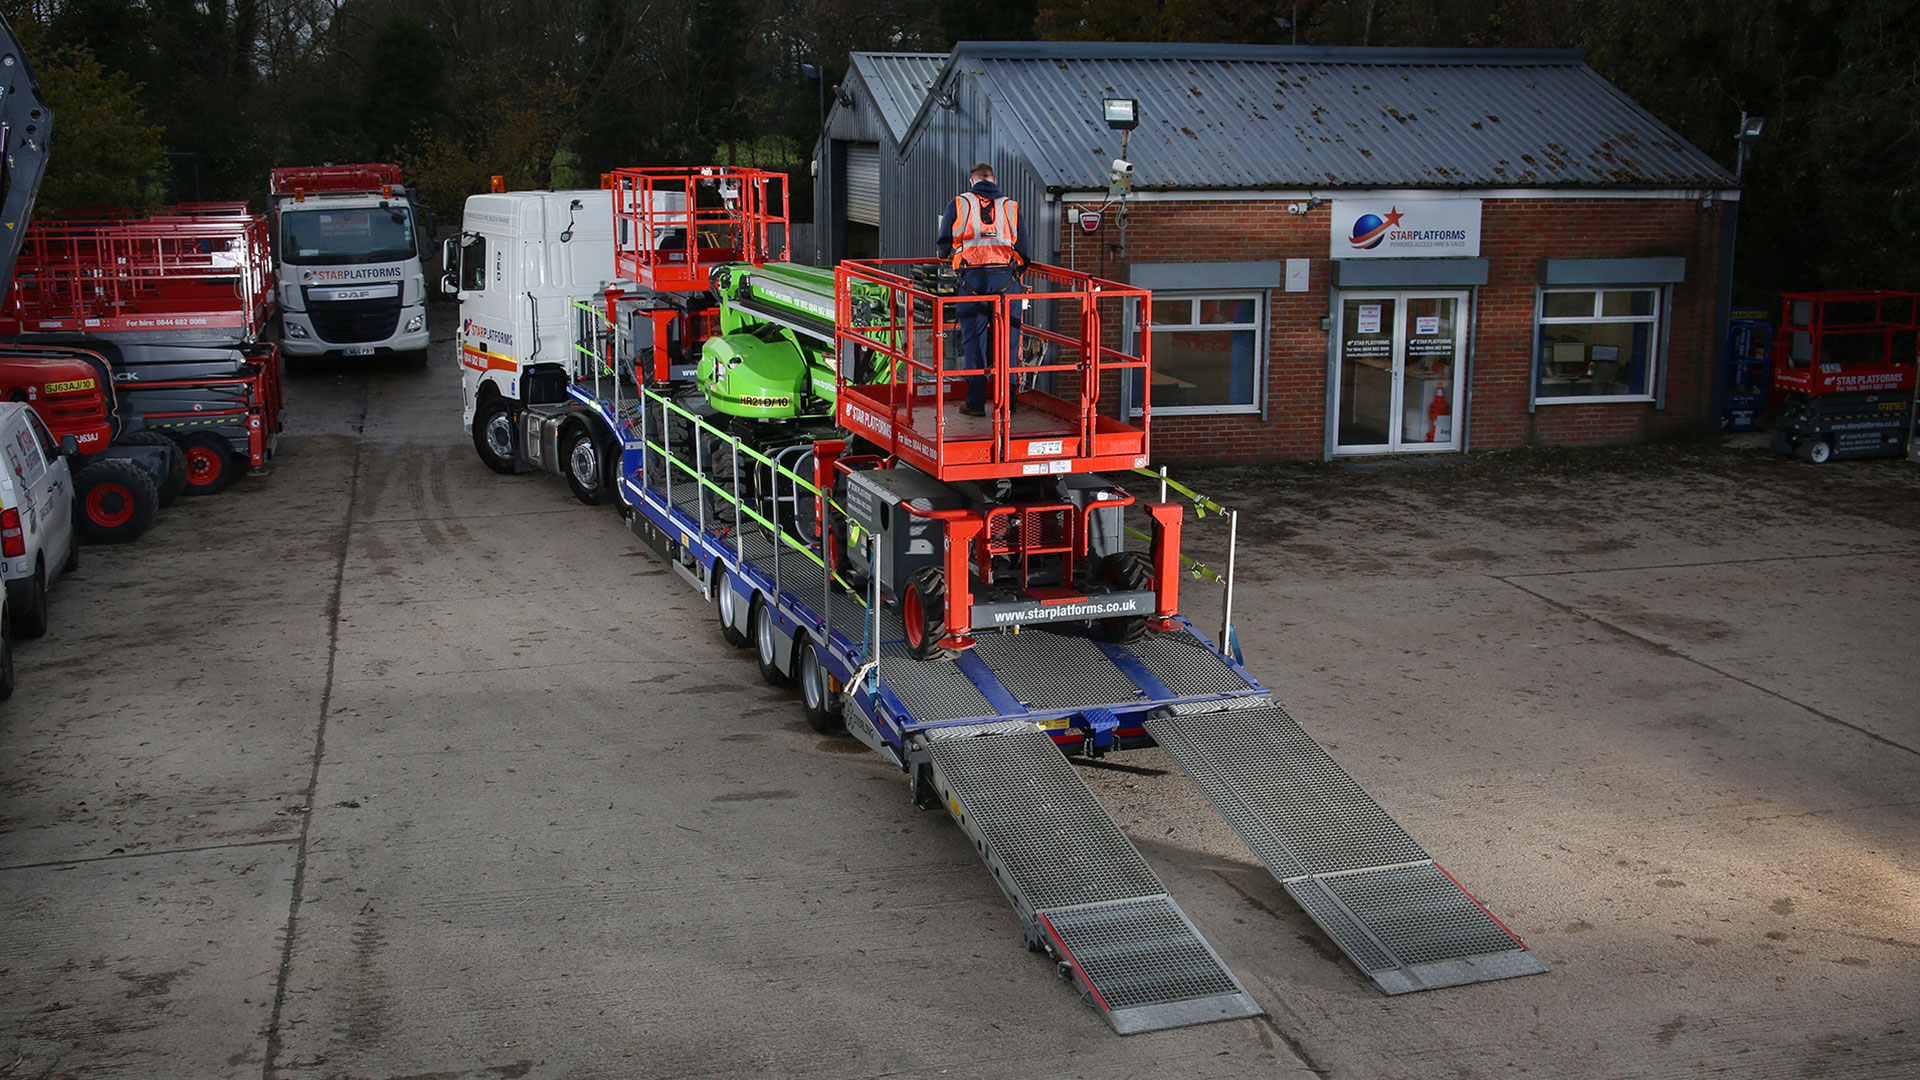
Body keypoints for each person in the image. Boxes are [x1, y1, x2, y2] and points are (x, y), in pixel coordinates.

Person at [936, 163, 1030, 417]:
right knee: (1008, 343)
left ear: (972, 181)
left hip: (972, 282)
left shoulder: (959, 203)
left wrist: (950, 255)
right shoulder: (1011, 206)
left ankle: (975, 402)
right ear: (994, 179)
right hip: (1007, 282)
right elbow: (1024, 250)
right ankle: (1008, 401)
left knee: (973, 343)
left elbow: (943, 246)